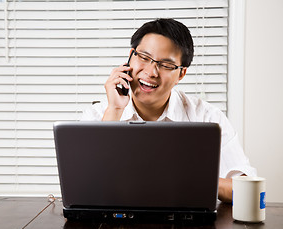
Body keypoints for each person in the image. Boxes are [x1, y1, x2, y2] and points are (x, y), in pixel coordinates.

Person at [81, 18, 256, 203]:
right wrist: (115, 110)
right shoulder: (97, 115)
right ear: (130, 57)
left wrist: (192, 179)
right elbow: (84, 188)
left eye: (166, 65)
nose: (151, 72)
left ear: (181, 74)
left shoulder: (207, 118)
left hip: (186, 228)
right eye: (144, 57)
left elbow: (249, 192)